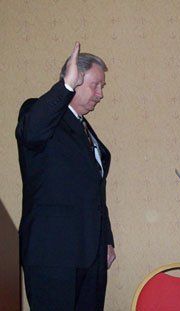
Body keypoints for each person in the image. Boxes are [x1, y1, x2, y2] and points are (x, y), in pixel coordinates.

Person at [16, 42, 116, 311]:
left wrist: (105, 239)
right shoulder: (39, 113)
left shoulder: (86, 131)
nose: (100, 94)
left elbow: (95, 190)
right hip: (53, 252)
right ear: (75, 79)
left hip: (90, 252)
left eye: (102, 87)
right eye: (96, 85)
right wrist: (65, 86)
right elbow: (32, 131)